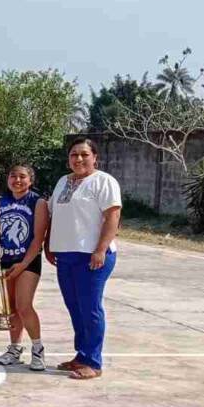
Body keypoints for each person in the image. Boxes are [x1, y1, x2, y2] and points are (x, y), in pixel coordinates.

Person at [46, 137, 122, 380]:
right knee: (75, 307)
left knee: (90, 308)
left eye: (84, 154)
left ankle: (93, 362)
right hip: (65, 255)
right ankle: (81, 355)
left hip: (92, 256)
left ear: (95, 157)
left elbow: (113, 217)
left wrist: (100, 249)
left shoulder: (104, 181)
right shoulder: (62, 182)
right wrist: (49, 245)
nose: (78, 159)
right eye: (73, 155)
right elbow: (53, 215)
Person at [0, 162, 50, 370]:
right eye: (13, 176)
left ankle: (38, 349)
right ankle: (14, 349)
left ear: (30, 180)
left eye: (22, 176)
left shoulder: (38, 202)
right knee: (12, 308)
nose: (17, 180)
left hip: (28, 260)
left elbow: (38, 238)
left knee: (24, 306)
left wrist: (23, 264)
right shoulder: (0, 202)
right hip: (6, 259)